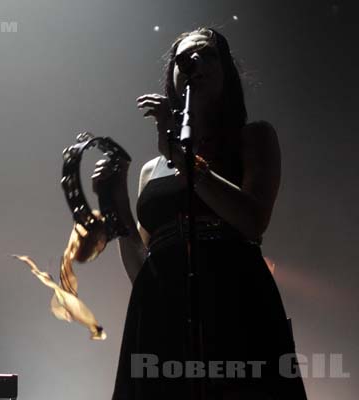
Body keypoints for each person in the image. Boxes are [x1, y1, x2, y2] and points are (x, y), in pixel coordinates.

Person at [92, 28, 307, 399]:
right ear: (172, 81)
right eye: (182, 58)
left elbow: (253, 220)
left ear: (226, 72)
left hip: (233, 301)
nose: (193, 63)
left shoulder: (253, 138)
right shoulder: (150, 170)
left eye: (206, 54)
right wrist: (117, 207)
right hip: (162, 315)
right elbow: (143, 272)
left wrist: (182, 159)